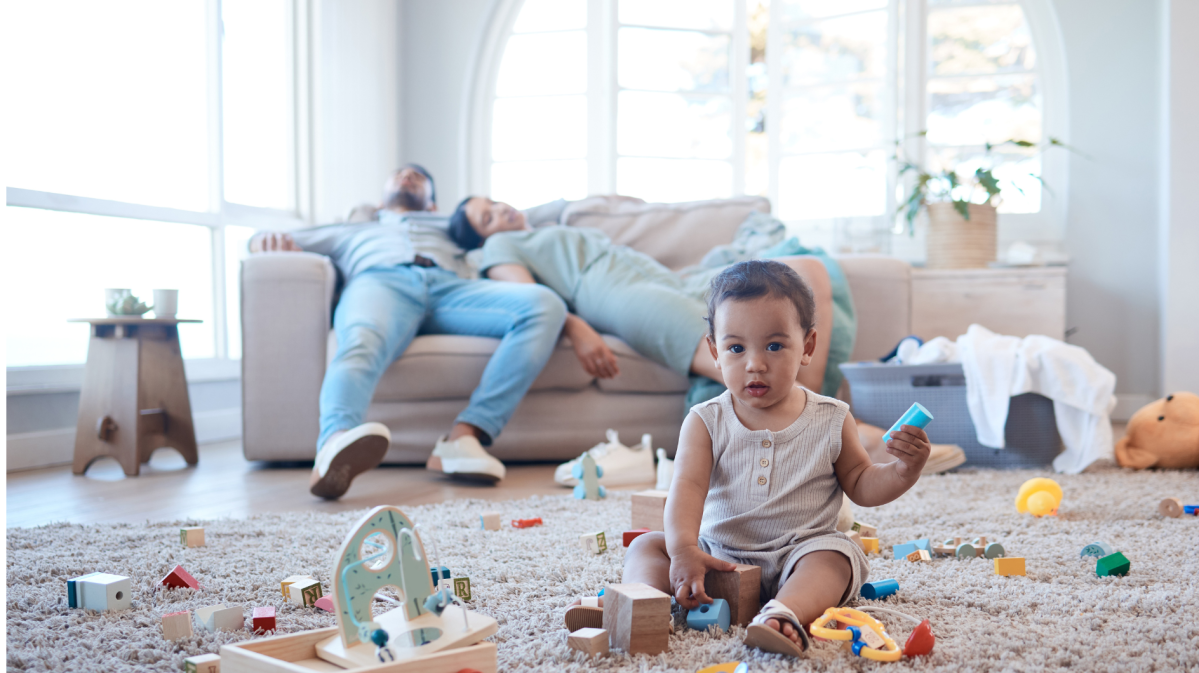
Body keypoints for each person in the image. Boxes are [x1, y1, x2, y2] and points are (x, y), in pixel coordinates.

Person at [565, 260, 931, 657]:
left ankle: (783, 613)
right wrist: (686, 549)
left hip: (798, 555)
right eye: (736, 348)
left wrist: (902, 470)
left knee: (838, 555)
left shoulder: (832, 417)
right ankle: (639, 602)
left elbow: (861, 482)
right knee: (648, 546)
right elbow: (686, 489)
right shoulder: (706, 420)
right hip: (717, 559)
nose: (755, 363)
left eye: (774, 346)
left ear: (806, 346)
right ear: (714, 352)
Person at [250, 165, 567, 499]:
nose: (407, 177)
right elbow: (266, 238)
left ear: (433, 205)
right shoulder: (353, 228)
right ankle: (333, 446)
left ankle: (465, 436)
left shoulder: (451, 225)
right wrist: (263, 239)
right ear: (380, 199)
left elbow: (513, 225)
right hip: (382, 283)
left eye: (418, 177)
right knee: (362, 338)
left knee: (545, 304)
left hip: (452, 289)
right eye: (400, 174)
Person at [446, 196, 834, 392]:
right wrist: (577, 329)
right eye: (488, 217)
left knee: (807, 270)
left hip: (661, 275)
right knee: (736, 358)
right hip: (614, 290)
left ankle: (813, 412)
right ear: (483, 238)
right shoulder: (498, 250)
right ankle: (820, 429)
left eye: (495, 203)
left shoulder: (546, 229)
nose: (501, 211)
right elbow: (528, 297)